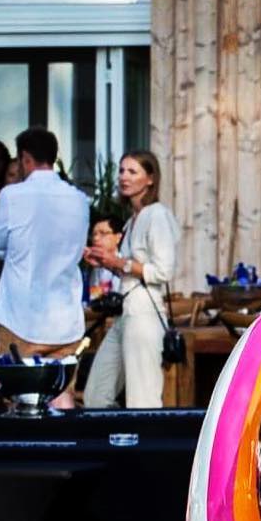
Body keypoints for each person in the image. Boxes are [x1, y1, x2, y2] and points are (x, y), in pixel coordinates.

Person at [0, 127, 89, 408]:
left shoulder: (12, 196)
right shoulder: (79, 200)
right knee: (63, 394)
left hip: (21, 317)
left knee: (19, 401)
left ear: (25, 159)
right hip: (66, 318)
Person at [83, 152, 178, 409]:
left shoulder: (156, 215)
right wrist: (104, 262)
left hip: (145, 314)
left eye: (133, 172)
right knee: (96, 395)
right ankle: (116, 443)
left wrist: (119, 263)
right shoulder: (131, 220)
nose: (124, 177)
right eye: (122, 171)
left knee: (142, 398)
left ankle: (146, 447)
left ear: (150, 179)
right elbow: (129, 272)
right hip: (126, 314)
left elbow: (163, 271)